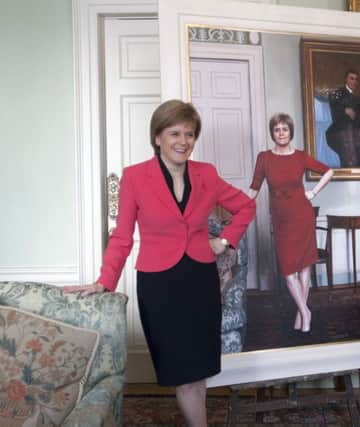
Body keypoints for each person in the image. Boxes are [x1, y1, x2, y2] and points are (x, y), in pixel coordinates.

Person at [64, 100, 256, 427]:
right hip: (160, 285)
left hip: (199, 279)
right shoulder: (135, 177)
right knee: (182, 373)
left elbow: (245, 207)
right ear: (157, 137)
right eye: (175, 133)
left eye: (190, 134)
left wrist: (223, 242)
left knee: (198, 371)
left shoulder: (206, 174)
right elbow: (122, 236)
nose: (183, 141)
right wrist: (104, 281)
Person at [249, 113, 333, 332]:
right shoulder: (264, 158)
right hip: (280, 220)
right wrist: (237, 207)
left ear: (290, 132)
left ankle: (301, 316)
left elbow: (328, 171)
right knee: (288, 271)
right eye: (277, 130)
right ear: (272, 133)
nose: (281, 133)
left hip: (302, 217)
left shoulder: (300, 156)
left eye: (285, 129)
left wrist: (313, 192)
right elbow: (254, 188)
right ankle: (306, 311)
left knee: (304, 268)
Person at [325, 69, 360, 168]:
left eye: (356, 79)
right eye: (352, 78)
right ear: (346, 79)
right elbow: (332, 102)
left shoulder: (358, 100)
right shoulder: (337, 93)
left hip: (354, 131)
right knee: (348, 135)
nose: (354, 81)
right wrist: (344, 110)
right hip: (337, 132)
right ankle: (351, 171)